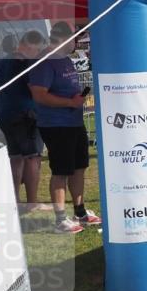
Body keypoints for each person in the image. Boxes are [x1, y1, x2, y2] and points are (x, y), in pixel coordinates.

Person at [29, 22, 100, 233]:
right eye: (75, 39)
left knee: (79, 167)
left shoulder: (65, 59)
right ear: (63, 39)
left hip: (74, 122)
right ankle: (60, 219)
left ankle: (80, 212)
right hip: (56, 125)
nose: (76, 43)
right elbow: (39, 95)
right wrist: (69, 102)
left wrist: (76, 98)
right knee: (61, 171)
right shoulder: (45, 62)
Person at [0, 30, 48, 211]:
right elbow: (35, 90)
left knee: (16, 158)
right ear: (27, 45)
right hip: (25, 115)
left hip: (5, 115)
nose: (38, 53)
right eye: (37, 49)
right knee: (33, 157)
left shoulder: (3, 61)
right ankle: (32, 202)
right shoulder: (25, 63)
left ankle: (16, 199)